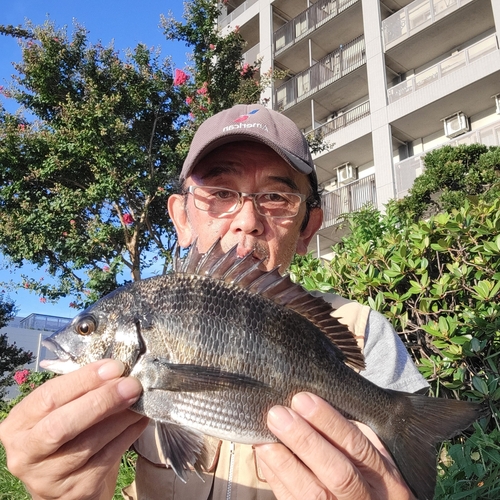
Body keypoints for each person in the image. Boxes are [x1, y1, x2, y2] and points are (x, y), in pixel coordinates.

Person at [0, 104, 428, 500]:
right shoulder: (140, 334)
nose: (246, 221)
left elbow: (407, 476)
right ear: (182, 217)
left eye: (276, 197)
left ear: (308, 226)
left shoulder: (364, 334)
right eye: (220, 193)